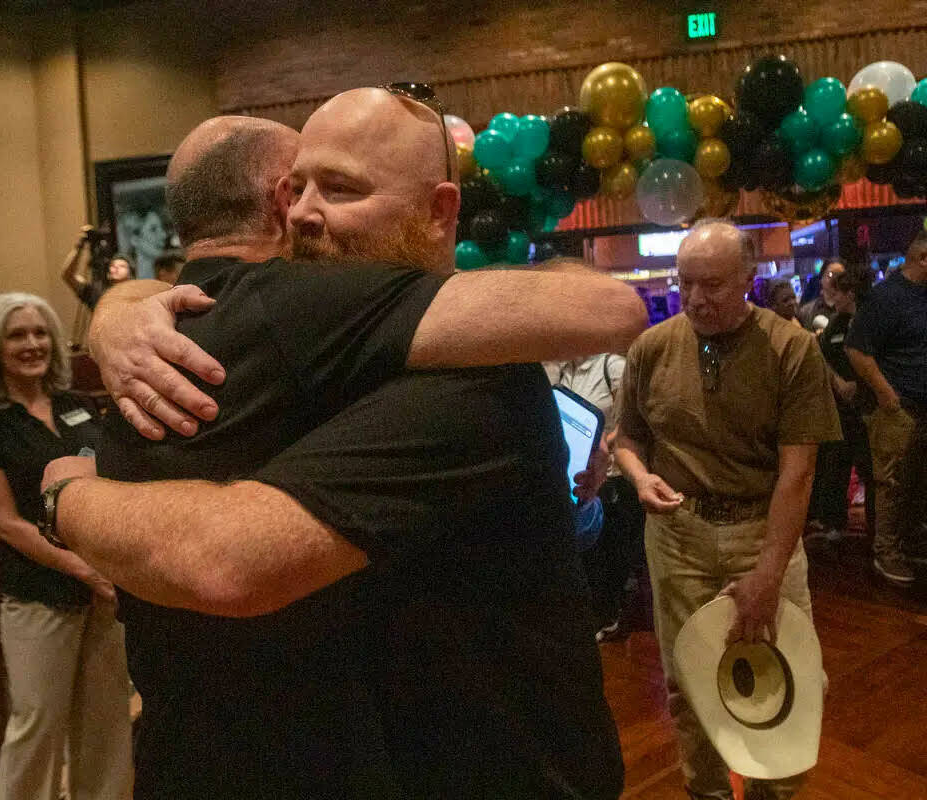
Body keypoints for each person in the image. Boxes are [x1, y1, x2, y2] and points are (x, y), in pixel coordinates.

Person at [46, 95, 645, 798]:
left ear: (439, 210)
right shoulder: (319, 345)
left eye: (341, 189)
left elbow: (228, 557)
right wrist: (121, 309)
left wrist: (65, 489)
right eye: (295, 187)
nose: (299, 212)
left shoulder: (468, 373)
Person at [615, 219, 840, 800]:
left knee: (787, 680)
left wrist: (768, 573)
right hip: (677, 535)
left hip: (761, 531)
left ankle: (773, 792)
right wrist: (640, 478)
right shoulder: (652, 347)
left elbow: (799, 473)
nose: (695, 299)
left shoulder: (790, 349)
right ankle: (707, 792)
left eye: (712, 285)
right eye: (685, 283)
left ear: (749, 277)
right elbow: (628, 438)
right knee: (686, 684)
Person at [0, 293, 133, 800]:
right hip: (40, 593)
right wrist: (86, 569)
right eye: (17, 335)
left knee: (107, 724)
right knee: (36, 725)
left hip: (103, 594)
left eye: (39, 333)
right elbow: (8, 524)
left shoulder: (77, 405)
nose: (31, 344)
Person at [846, 228, 927, 586]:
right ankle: (886, 553)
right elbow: (856, 348)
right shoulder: (887, 297)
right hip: (900, 407)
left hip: (919, 406)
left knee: (915, 483)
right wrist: (886, 396)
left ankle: (908, 544)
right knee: (891, 484)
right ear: (922, 259)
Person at [553, 353, 643, 643]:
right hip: (580, 472)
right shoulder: (566, 369)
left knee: (610, 549)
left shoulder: (612, 367)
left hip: (613, 472)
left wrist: (601, 442)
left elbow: (634, 419)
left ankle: (609, 615)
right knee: (590, 552)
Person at [805, 263, 875, 546]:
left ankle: (876, 529)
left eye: (841, 292)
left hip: (868, 406)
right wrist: (838, 382)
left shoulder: (870, 322)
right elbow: (820, 357)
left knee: (869, 469)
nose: (836, 297)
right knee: (836, 466)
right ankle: (834, 523)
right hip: (839, 408)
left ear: (851, 294)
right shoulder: (836, 322)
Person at [62, 225, 135, 310]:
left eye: (122, 266)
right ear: (108, 273)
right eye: (112, 265)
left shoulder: (135, 296)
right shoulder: (97, 293)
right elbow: (68, 276)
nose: (116, 268)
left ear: (131, 275)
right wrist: (79, 246)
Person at [797, 259, 844, 332]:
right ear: (821, 279)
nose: (835, 280)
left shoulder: (852, 309)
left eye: (840, 276)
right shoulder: (806, 312)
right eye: (830, 275)